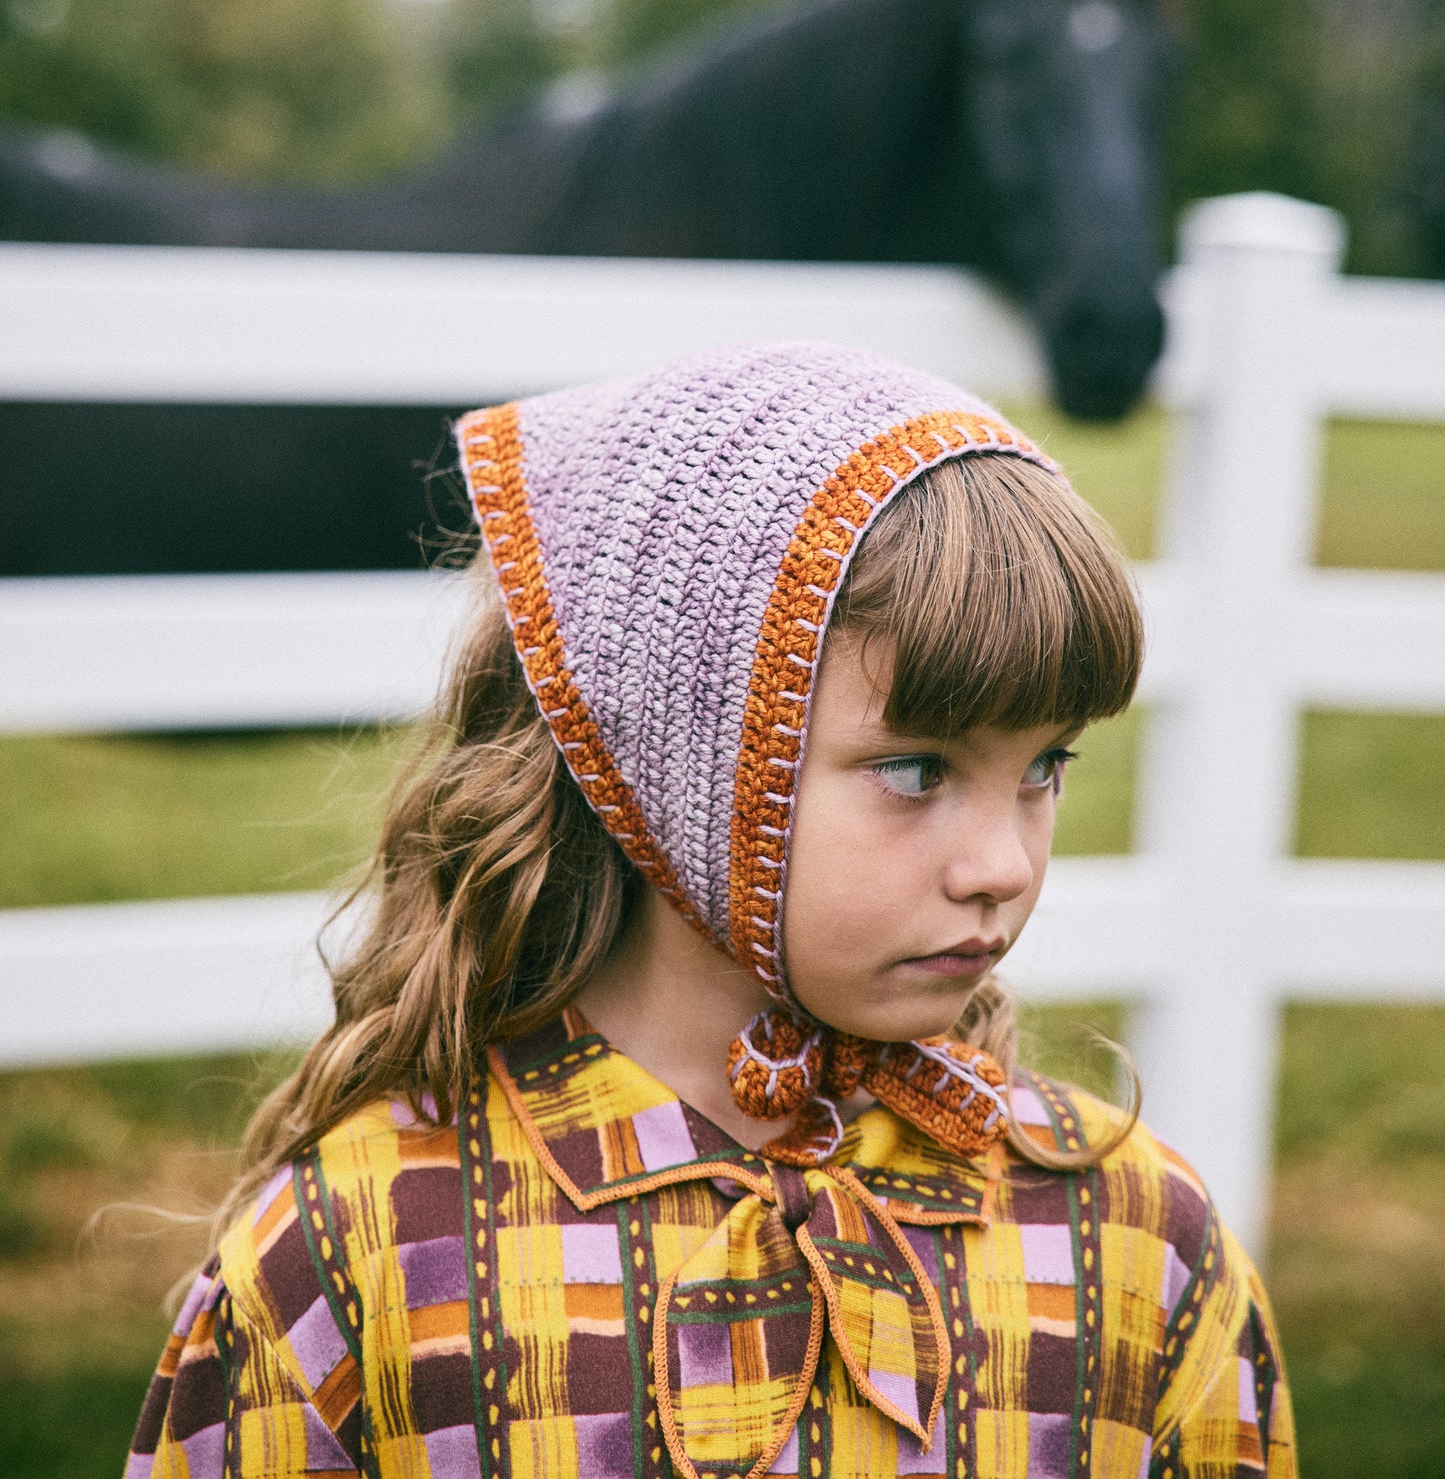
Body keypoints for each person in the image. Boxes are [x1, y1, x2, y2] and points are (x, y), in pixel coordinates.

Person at [128, 342, 1294, 1478]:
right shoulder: (363, 1253)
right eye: (915, 770)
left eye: (1044, 767)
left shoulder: (1132, 1239)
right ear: (679, 760)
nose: (1002, 865)